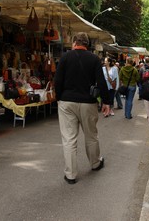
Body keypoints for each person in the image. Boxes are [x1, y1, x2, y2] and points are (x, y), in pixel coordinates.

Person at [54, 32, 110, 184]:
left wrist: (59, 98)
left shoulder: (65, 57)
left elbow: (57, 80)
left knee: (69, 139)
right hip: (88, 102)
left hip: (67, 102)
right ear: (87, 44)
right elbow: (101, 81)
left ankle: (71, 174)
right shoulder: (94, 59)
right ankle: (95, 163)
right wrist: (106, 102)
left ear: (74, 43)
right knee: (91, 135)